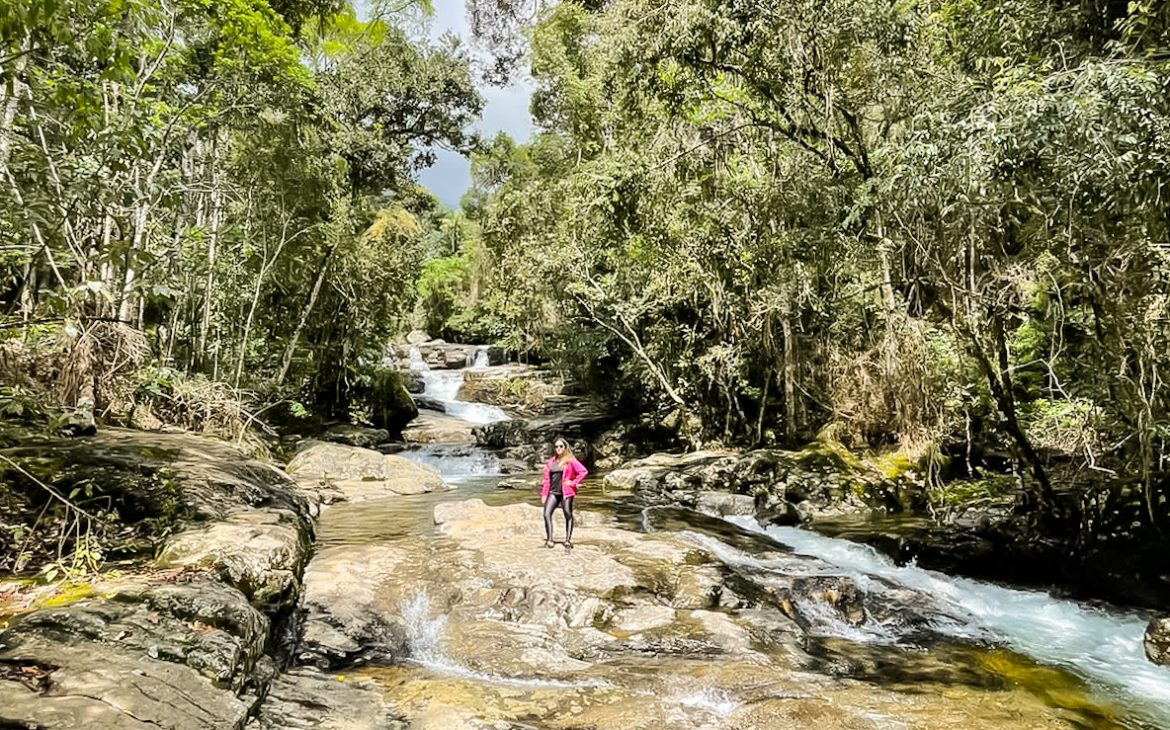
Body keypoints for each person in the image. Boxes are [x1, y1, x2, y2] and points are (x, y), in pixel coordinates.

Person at [541, 437, 588, 551]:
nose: (558, 448)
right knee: (547, 514)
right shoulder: (551, 461)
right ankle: (550, 539)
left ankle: (567, 540)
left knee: (568, 514)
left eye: (561, 446)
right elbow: (547, 479)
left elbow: (583, 472)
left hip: (566, 492)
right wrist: (544, 494)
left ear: (565, 447)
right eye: (556, 446)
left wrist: (573, 483)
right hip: (553, 492)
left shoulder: (570, 460)